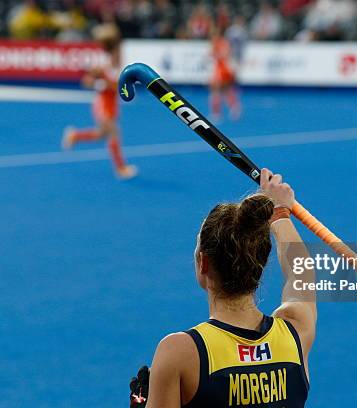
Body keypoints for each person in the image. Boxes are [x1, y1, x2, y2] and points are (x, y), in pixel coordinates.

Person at [131, 168, 316, 407]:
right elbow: (301, 270)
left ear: (203, 263)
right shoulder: (296, 332)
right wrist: (280, 213)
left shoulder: (181, 352)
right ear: (261, 262)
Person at [61, 24, 137, 179]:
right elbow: (90, 82)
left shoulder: (113, 61)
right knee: (114, 132)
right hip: (103, 101)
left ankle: (75, 135)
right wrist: (101, 79)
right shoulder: (105, 65)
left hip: (110, 101)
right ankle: (120, 168)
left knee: (102, 134)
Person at [209, 26, 241, 122]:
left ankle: (216, 113)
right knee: (225, 91)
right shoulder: (222, 43)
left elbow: (220, 55)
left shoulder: (220, 43)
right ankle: (234, 108)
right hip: (223, 70)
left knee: (217, 91)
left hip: (222, 70)